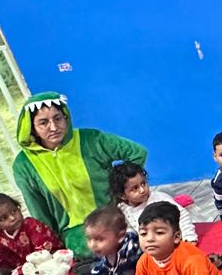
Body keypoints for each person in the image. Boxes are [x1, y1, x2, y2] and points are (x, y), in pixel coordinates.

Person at [12, 92, 149, 257]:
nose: (54, 127)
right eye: (43, 123)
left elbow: (137, 153)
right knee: (97, 249)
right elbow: (39, 211)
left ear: (66, 118)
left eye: (58, 118)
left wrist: (121, 190)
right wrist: (53, 246)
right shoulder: (24, 164)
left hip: (112, 217)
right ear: (31, 127)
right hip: (75, 232)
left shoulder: (90, 139)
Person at [109, 160, 196, 245]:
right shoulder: (123, 209)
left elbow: (182, 215)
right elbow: (129, 230)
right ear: (122, 195)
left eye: (143, 183)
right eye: (135, 188)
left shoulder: (158, 198)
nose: (142, 190)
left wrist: (189, 238)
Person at [0, 193, 64, 274]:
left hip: (48, 264)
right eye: (4, 218)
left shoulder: (32, 225)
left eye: (14, 211)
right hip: (25, 271)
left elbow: (44, 252)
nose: (12, 218)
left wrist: (22, 270)